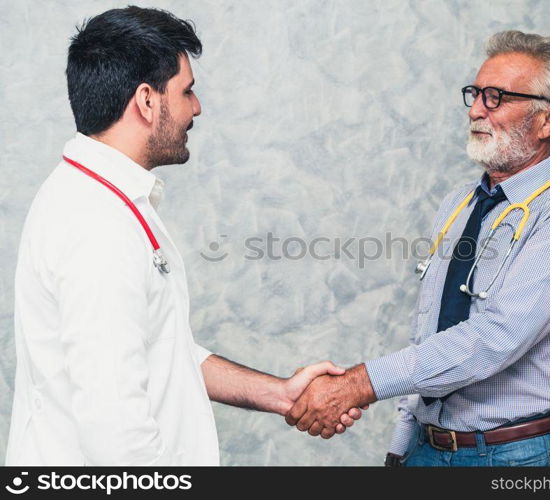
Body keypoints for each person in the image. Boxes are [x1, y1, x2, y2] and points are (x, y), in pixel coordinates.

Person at [5, 6, 360, 466]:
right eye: (187, 90)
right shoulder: (96, 225)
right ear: (148, 101)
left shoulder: (110, 199)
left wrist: (279, 394)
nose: (197, 107)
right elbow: (114, 432)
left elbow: (161, 349)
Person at [286, 30, 550, 466]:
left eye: (497, 97)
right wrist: (401, 442)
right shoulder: (459, 205)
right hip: (428, 448)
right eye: (476, 94)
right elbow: (429, 332)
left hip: (514, 456)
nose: (477, 110)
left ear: (548, 119)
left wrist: (357, 383)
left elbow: (494, 339)